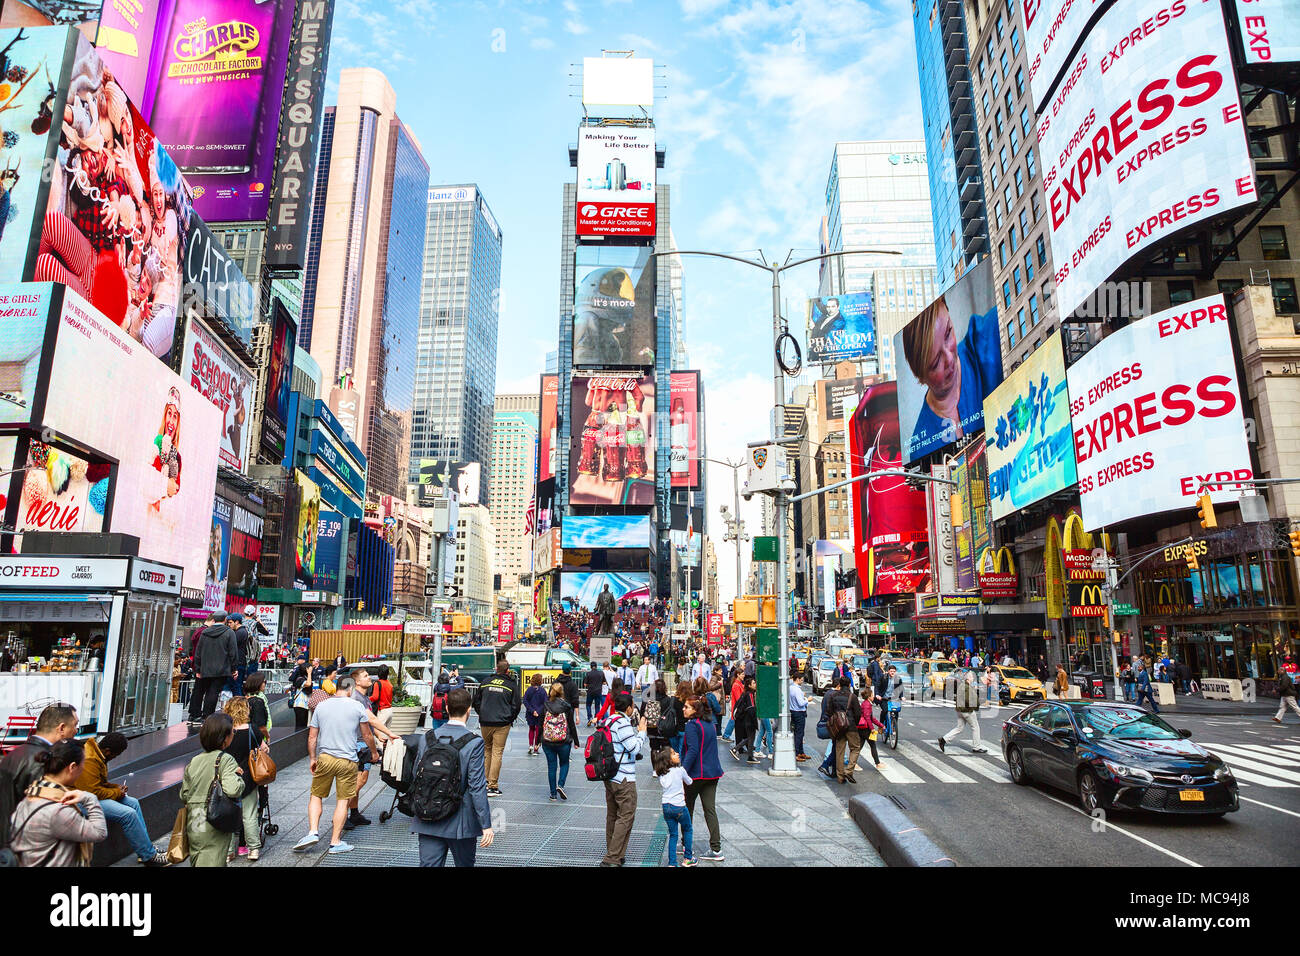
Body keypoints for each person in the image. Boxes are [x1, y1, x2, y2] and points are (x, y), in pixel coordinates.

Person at [294, 676, 396, 855]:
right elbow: (366, 735)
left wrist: (312, 758)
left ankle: (313, 832)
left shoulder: (322, 706)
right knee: (342, 801)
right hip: (348, 760)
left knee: (316, 795)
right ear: (350, 689)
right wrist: (373, 753)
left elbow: (312, 737)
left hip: (325, 758)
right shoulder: (356, 706)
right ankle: (335, 842)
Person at [900, 291, 1001, 460]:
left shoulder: (993, 333)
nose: (949, 358)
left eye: (948, 334)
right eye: (935, 362)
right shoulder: (921, 446)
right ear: (921, 377)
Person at [409, 688, 494, 866]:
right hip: (460, 821)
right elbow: (476, 786)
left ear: (446, 708)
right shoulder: (474, 742)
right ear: (469, 710)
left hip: (428, 816)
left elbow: (416, 774)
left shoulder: (428, 738)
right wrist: (485, 824)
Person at [73, 731, 170, 866]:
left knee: (133, 803)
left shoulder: (98, 754)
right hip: (82, 801)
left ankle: (146, 848)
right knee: (128, 814)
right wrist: (117, 792)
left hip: (91, 796)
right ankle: (149, 856)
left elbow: (97, 784)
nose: (115, 757)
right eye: (116, 755)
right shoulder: (90, 759)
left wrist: (115, 788)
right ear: (108, 751)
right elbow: (92, 791)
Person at [8, 740, 106, 867]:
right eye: (83, 764)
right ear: (72, 767)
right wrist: (89, 798)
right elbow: (99, 832)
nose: (83, 769)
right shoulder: (58, 811)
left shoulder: (32, 794)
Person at [0, 702, 79, 848]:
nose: (76, 731)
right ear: (61, 728)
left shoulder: (13, 755)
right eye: (75, 725)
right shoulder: (47, 761)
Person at [178, 714, 244, 867]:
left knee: (198, 855)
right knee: (214, 857)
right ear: (225, 737)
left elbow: (184, 794)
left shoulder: (195, 760)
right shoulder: (225, 759)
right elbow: (233, 789)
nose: (234, 734)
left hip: (195, 817)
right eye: (232, 731)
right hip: (214, 818)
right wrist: (239, 777)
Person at [599, 692, 648, 867]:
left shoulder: (608, 720)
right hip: (624, 777)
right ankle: (612, 857)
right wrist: (642, 732)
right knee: (626, 816)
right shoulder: (623, 723)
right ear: (628, 708)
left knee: (612, 815)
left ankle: (615, 852)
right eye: (633, 706)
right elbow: (633, 748)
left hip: (609, 775)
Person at [221, 697, 267, 862]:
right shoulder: (252, 729)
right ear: (245, 710)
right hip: (248, 777)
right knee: (249, 814)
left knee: (228, 815)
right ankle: (253, 849)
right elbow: (264, 749)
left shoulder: (224, 729)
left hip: (227, 776)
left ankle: (227, 853)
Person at [680, 695, 725, 862]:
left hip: (696, 774)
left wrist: (682, 771)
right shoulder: (710, 724)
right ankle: (716, 849)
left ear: (695, 710)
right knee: (710, 810)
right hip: (713, 773)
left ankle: (686, 845)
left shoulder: (692, 725)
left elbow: (692, 750)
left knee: (686, 809)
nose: (683, 709)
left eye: (686, 707)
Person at [473, 660, 521, 797]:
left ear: (496, 669)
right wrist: (509, 718)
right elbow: (516, 705)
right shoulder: (511, 685)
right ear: (507, 671)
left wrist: (481, 713)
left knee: (487, 750)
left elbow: (476, 700)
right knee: (497, 752)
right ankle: (492, 785)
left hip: (485, 721)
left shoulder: (486, 682)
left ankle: (485, 781)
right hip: (502, 722)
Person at [188, 611, 239, 724]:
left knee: (201, 690)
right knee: (213, 692)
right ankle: (207, 715)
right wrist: (234, 669)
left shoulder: (205, 632)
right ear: (225, 619)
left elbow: (198, 652)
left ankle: (196, 714)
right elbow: (233, 653)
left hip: (205, 668)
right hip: (221, 669)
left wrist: (198, 668)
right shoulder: (229, 633)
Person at [653, 746, 695, 867]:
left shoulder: (661, 774)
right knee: (687, 829)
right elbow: (689, 782)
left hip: (666, 807)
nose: (677, 754)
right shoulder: (680, 770)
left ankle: (672, 863)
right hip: (679, 807)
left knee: (673, 835)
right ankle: (688, 858)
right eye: (673, 753)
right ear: (669, 760)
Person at [540, 682, 579, 801]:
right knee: (564, 763)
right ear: (562, 692)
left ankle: (553, 794)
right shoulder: (566, 707)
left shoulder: (546, 705)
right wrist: (576, 741)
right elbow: (571, 725)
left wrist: (537, 740)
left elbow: (540, 723)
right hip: (564, 740)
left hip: (548, 741)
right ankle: (560, 785)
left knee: (552, 767)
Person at [824, 675, 864, 783]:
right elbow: (858, 713)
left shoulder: (833, 695)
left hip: (838, 727)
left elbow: (829, 711)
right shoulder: (852, 697)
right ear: (849, 684)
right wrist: (853, 723)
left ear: (840, 685)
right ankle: (849, 771)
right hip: (851, 726)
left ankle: (840, 776)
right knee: (855, 748)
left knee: (839, 751)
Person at [938, 671, 987, 753]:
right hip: (967, 710)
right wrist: (976, 705)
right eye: (971, 676)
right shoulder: (967, 687)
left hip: (960, 710)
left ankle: (943, 739)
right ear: (968, 678)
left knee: (959, 728)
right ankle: (976, 747)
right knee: (975, 727)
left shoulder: (962, 685)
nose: (973, 678)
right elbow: (969, 700)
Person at [730, 675, 759, 763]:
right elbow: (751, 708)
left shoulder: (746, 693)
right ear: (749, 685)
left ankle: (750, 756)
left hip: (746, 719)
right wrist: (755, 721)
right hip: (749, 719)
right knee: (750, 737)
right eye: (753, 683)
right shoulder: (749, 694)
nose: (755, 684)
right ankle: (736, 749)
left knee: (751, 737)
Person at [858, 686, 885, 771]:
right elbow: (867, 717)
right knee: (872, 745)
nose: (873, 696)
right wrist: (872, 728)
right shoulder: (867, 704)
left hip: (863, 728)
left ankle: (853, 762)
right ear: (869, 696)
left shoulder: (866, 703)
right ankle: (877, 763)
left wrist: (880, 725)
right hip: (866, 729)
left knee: (859, 746)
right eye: (872, 695)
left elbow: (871, 718)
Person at [523, 673, 548, 756]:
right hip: (540, 714)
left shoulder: (529, 690)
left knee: (531, 729)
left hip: (530, 713)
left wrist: (532, 710)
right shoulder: (543, 691)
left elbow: (525, 701)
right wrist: (538, 711)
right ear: (540, 681)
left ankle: (530, 745)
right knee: (538, 730)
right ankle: (536, 747)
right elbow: (545, 703)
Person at [789, 671, 811, 761]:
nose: (802, 681)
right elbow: (801, 703)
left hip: (794, 711)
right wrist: (807, 699)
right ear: (797, 679)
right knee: (799, 733)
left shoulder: (791, 688)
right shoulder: (797, 690)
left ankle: (801, 752)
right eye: (801, 680)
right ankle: (797, 753)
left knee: (799, 733)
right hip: (799, 712)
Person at [584, 661, 606, 726]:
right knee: (597, 706)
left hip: (590, 691)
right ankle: (596, 719)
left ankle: (590, 718)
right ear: (596, 666)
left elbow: (585, 684)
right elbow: (604, 683)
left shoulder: (588, 674)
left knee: (588, 705)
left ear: (591, 666)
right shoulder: (601, 673)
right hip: (598, 691)